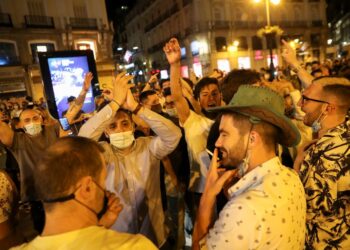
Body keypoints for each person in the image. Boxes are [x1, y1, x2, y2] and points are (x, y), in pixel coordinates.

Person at [192, 85, 306, 249]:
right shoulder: (291, 177)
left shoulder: (243, 209)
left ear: (252, 139)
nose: (217, 143)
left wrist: (207, 196)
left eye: (224, 134)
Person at [78, 72, 182, 248]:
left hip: (154, 238)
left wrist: (135, 107)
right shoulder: (102, 153)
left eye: (125, 124)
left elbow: (174, 135)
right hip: (118, 241)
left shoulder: (149, 147)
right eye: (113, 126)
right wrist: (115, 103)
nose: (120, 129)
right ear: (106, 132)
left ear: (133, 126)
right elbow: (82, 140)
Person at [10, 137, 156, 250]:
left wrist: (100, 226)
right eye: (104, 181)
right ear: (87, 188)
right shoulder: (133, 246)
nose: (106, 190)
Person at [294, 76, 350, 249]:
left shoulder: (325, 155)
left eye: (306, 99)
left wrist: (297, 165)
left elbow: (301, 206)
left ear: (328, 108)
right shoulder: (344, 130)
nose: (299, 104)